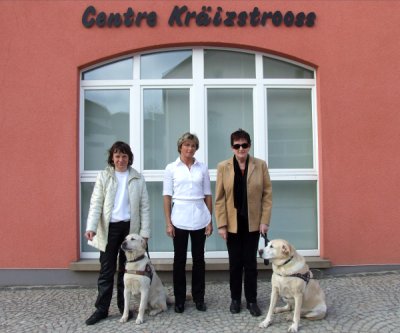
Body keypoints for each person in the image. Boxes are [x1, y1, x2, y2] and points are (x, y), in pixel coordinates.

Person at [84, 141, 150, 325]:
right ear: (112, 158)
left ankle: (124, 309)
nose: (121, 160)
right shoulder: (104, 176)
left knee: (126, 269)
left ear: (129, 158)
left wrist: (144, 232)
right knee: (106, 269)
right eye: (117, 156)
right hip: (109, 229)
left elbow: (145, 206)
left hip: (130, 229)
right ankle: (101, 309)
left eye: (124, 156)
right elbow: (96, 203)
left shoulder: (137, 178)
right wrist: (91, 227)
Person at [215, 129, 272, 317]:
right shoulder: (223, 167)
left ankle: (252, 300)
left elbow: (267, 195)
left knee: (250, 264)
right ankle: (235, 299)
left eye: (244, 145)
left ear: (249, 146)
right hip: (232, 224)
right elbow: (219, 199)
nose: (241, 148)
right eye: (237, 145)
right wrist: (221, 225)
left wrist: (264, 221)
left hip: (253, 223)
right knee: (235, 264)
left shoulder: (260, 165)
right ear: (232, 147)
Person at [163, 132, 213, 313]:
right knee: (179, 260)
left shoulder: (202, 167)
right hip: (179, 218)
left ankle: (199, 297)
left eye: (193, 146)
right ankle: (180, 299)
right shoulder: (171, 168)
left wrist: (209, 220)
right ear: (180, 147)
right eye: (186, 145)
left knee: (199, 260)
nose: (190, 148)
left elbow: (208, 195)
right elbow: (167, 196)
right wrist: (168, 222)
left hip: (200, 217)